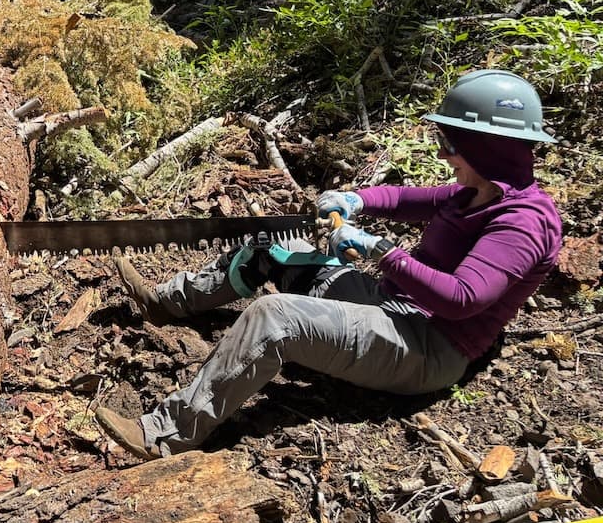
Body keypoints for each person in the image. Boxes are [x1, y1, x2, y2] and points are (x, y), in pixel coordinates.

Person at [95, 69, 563, 461]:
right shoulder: (474, 193)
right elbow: (402, 198)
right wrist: (355, 199)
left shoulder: (522, 223)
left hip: (429, 346)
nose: (443, 154)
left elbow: (461, 299)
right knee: (274, 249)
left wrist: (381, 253)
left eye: (449, 142)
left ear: (485, 146)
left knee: (274, 318)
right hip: (393, 305)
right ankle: (168, 303)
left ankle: (165, 435)